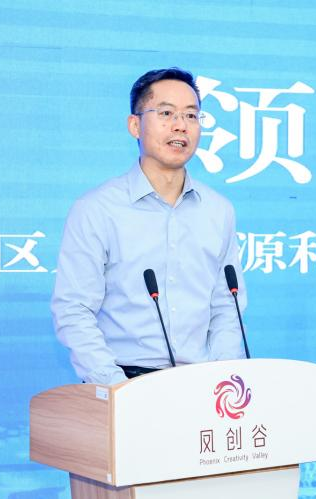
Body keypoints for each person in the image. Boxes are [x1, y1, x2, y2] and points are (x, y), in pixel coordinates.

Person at [51, 67, 247, 385]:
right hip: (125, 381)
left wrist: (222, 381)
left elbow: (227, 307)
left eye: (191, 115)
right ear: (135, 125)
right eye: (166, 113)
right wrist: (115, 388)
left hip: (202, 387)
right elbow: (74, 310)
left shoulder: (218, 211)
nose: (180, 125)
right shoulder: (97, 210)